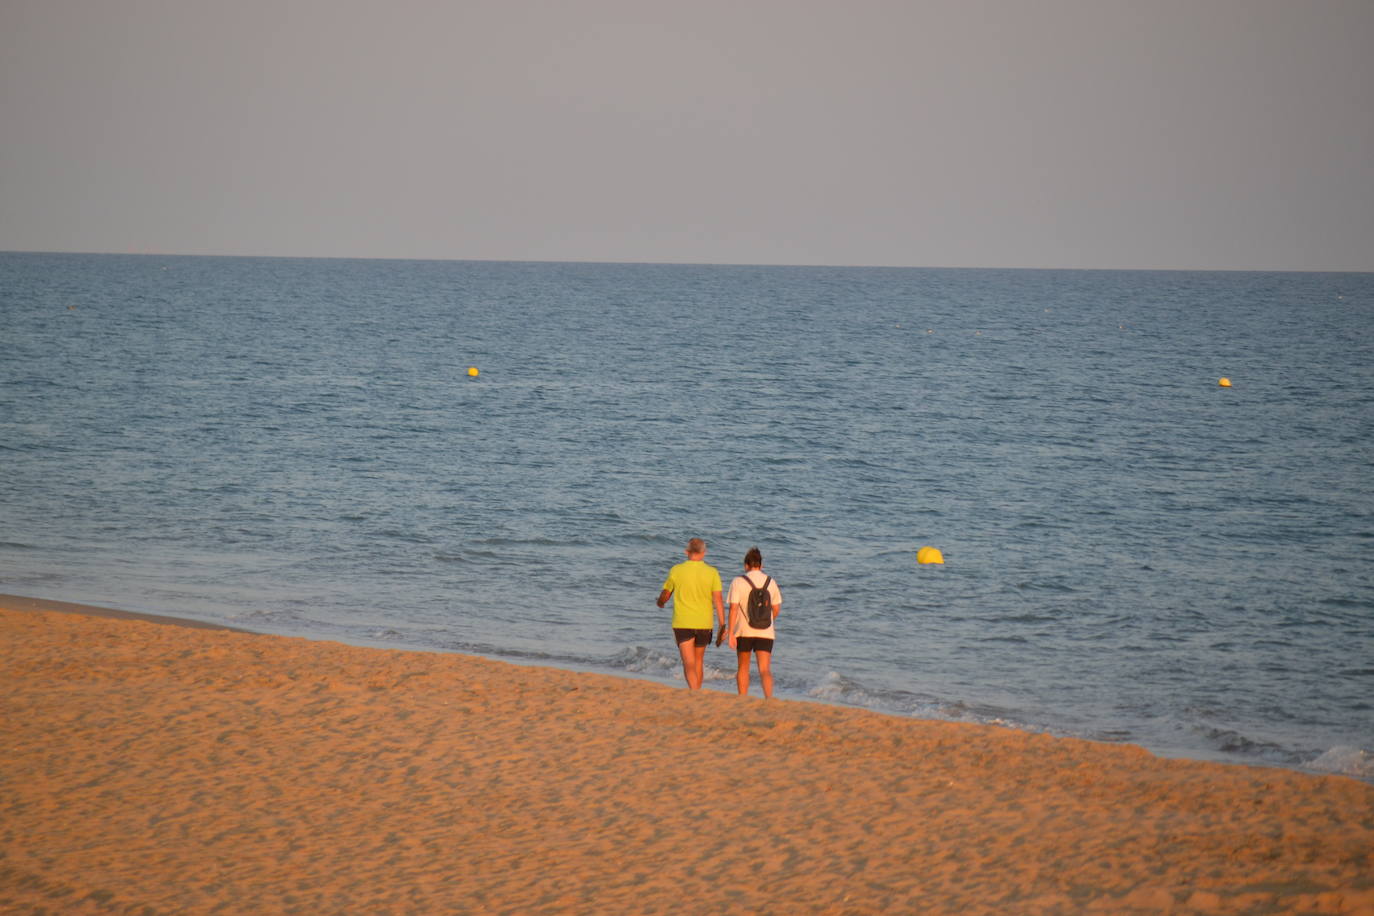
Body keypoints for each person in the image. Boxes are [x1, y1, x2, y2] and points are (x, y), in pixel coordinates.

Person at [656, 537, 724, 690]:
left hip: (683, 622)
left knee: (689, 663)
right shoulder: (712, 572)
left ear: (687, 552)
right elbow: (718, 600)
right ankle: (697, 692)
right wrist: (722, 624)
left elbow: (666, 594)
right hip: (704, 623)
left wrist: (660, 603)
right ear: (703, 553)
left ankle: (694, 693)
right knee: (698, 661)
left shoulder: (676, 570)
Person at [726, 546, 782, 698]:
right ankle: (769, 698)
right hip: (766, 632)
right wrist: (767, 621)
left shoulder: (738, 581)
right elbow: (776, 608)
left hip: (744, 631)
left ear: (746, 565)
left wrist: (730, 632)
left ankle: (743, 698)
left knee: (743, 667)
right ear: (761, 565)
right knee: (765, 669)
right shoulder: (771, 582)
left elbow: (733, 609)